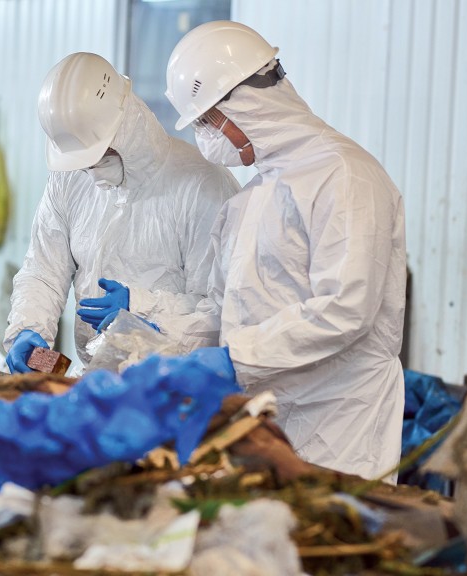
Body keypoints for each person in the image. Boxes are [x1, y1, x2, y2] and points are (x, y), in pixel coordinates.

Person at [165, 21, 407, 480]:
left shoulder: (345, 176)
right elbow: (223, 307)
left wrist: (233, 359)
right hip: (267, 420)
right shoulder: (251, 199)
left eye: (206, 122)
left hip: (339, 428)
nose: (205, 137)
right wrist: (160, 342)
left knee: (330, 546)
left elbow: (345, 308)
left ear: (244, 103)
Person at [4, 52, 240, 373]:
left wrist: (145, 313)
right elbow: (44, 270)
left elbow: (224, 310)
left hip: (172, 385)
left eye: (100, 156)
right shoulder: (70, 175)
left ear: (127, 126)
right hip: (94, 380)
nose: (91, 171)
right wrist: (27, 327)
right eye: (83, 162)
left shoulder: (203, 186)